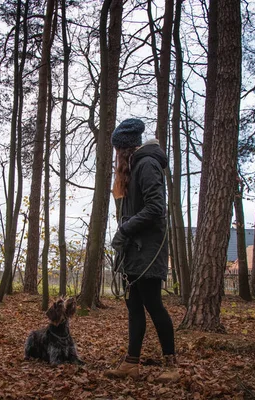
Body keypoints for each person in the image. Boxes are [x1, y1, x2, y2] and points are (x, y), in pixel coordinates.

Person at [104, 118, 180, 382]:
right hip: (134, 252)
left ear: (125, 148)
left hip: (148, 251)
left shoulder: (147, 164)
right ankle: (131, 364)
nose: (116, 157)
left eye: (117, 151)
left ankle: (171, 365)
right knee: (134, 306)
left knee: (153, 305)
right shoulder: (133, 168)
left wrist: (125, 231)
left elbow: (156, 207)